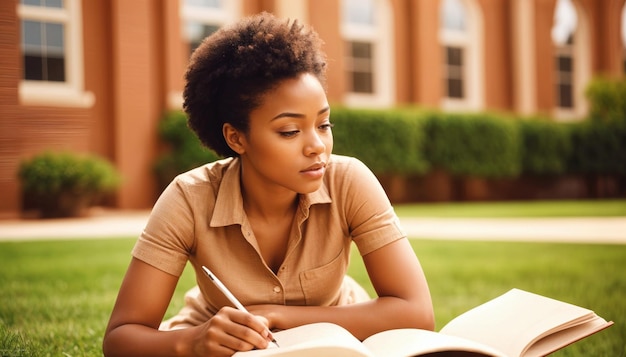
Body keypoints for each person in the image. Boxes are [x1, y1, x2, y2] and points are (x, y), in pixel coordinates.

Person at [102, 12, 434, 357]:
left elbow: (416, 312)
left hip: (344, 338)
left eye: (324, 125)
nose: (317, 146)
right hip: (230, 345)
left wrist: (279, 316)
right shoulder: (189, 198)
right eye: (290, 131)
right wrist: (193, 341)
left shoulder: (349, 181)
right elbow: (121, 338)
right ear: (236, 137)